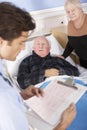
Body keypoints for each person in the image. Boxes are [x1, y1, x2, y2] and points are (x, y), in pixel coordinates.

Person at [0, 2, 76, 130]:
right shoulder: (27, 62)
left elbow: (74, 71)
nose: (24, 47)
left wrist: (21, 96)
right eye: (21, 42)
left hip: (63, 90)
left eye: (44, 44)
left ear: (50, 47)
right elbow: (22, 80)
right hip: (44, 100)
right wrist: (64, 124)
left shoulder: (56, 59)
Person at [61, 0, 87, 69]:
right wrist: (63, 56)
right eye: (68, 12)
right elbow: (71, 42)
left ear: (80, 9)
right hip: (83, 63)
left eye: (73, 10)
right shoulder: (70, 24)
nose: (70, 13)